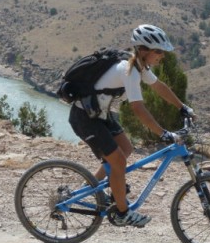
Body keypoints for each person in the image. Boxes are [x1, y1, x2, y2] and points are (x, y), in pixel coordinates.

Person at [68, 24, 195, 227]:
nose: (162, 56)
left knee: (126, 149)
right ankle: (122, 212)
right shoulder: (129, 71)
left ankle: (91, 187)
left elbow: (159, 87)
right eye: (158, 51)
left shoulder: (139, 66)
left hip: (99, 114)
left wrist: (182, 107)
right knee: (118, 162)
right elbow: (138, 109)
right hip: (84, 117)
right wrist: (163, 133)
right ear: (143, 50)